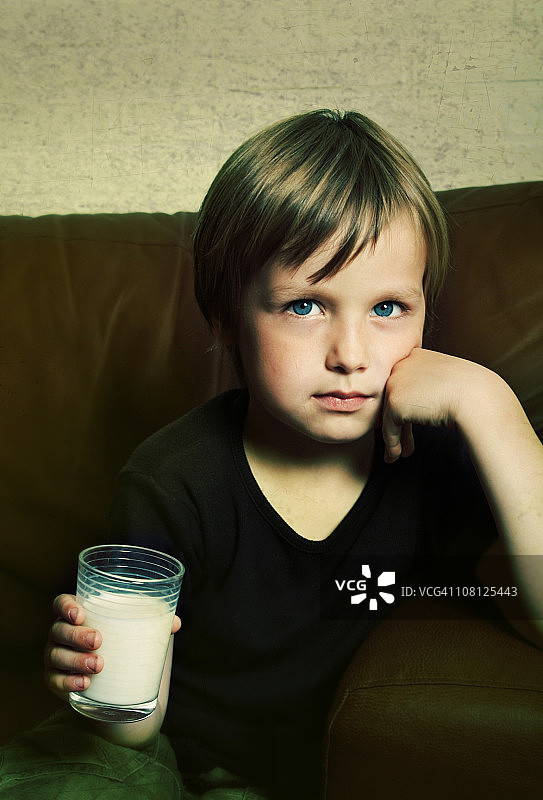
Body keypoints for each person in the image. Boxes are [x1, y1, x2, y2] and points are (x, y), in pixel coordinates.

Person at [2, 109, 542, 800]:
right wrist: (99, 685)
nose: (351, 356)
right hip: (185, 761)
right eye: (304, 306)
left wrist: (489, 404)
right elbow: (133, 734)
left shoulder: (435, 460)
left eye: (386, 309)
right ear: (227, 315)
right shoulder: (174, 478)